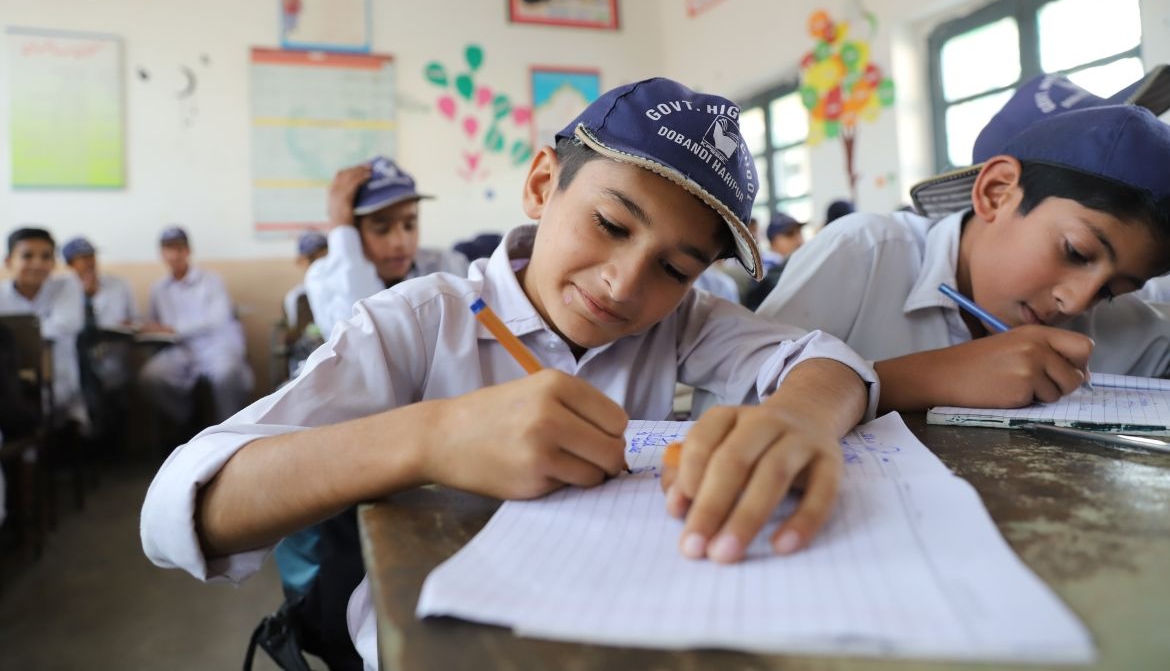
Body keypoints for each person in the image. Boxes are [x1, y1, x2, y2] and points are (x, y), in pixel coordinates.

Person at [141, 77, 877, 670]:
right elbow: (182, 514)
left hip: (621, 628)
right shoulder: (422, 322)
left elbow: (826, 361)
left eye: (675, 268)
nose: (624, 286)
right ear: (541, 183)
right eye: (611, 226)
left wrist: (797, 418)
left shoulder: (675, 324)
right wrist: (431, 436)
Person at [757, 100, 1170, 413]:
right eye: (1076, 252)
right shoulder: (864, 254)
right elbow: (727, 404)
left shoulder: (1130, 335)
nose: (1078, 302)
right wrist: (930, 377)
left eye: (1114, 291)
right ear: (997, 192)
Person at [305, 157, 469, 336]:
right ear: (354, 233)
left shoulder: (446, 265)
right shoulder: (323, 277)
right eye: (381, 229)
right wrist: (341, 228)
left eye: (410, 225)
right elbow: (361, 337)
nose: (401, 241)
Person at [138, 227, 254, 426]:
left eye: (179, 249)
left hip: (216, 346)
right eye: (168, 249)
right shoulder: (158, 289)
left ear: (188, 251)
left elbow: (217, 320)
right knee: (150, 377)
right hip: (180, 350)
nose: (174, 255)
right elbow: (157, 325)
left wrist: (174, 329)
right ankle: (187, 419)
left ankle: (231, 429)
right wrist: (147, 328)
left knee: (227, 373)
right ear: (162, 254)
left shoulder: (211, 281)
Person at [0, 227, 87, 430]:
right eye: (27, 256)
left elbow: (67, 324)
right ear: (8, 261)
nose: (38, 263)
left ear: (54, 262)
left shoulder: (67, 285)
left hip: (58, 382)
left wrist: (11, 337)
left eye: (46, 256)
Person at [63, 236, 139, 447]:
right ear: (70, 263)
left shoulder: (119, 285)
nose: (89, 262)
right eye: (82, 258)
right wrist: (85, 299)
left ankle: (110, 448)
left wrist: (129, 324)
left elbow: (135, 320)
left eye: (91, 256)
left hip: (113, 358)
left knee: (109, 386)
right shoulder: (63, 290)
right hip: (78, 364)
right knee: (83, 384)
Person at [283, 231, 328, 331]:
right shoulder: (297, 296)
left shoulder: (342, 287)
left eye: (326, 256)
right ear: (300, 261)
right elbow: (295, 332)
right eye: (314, 258)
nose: (322, 263)